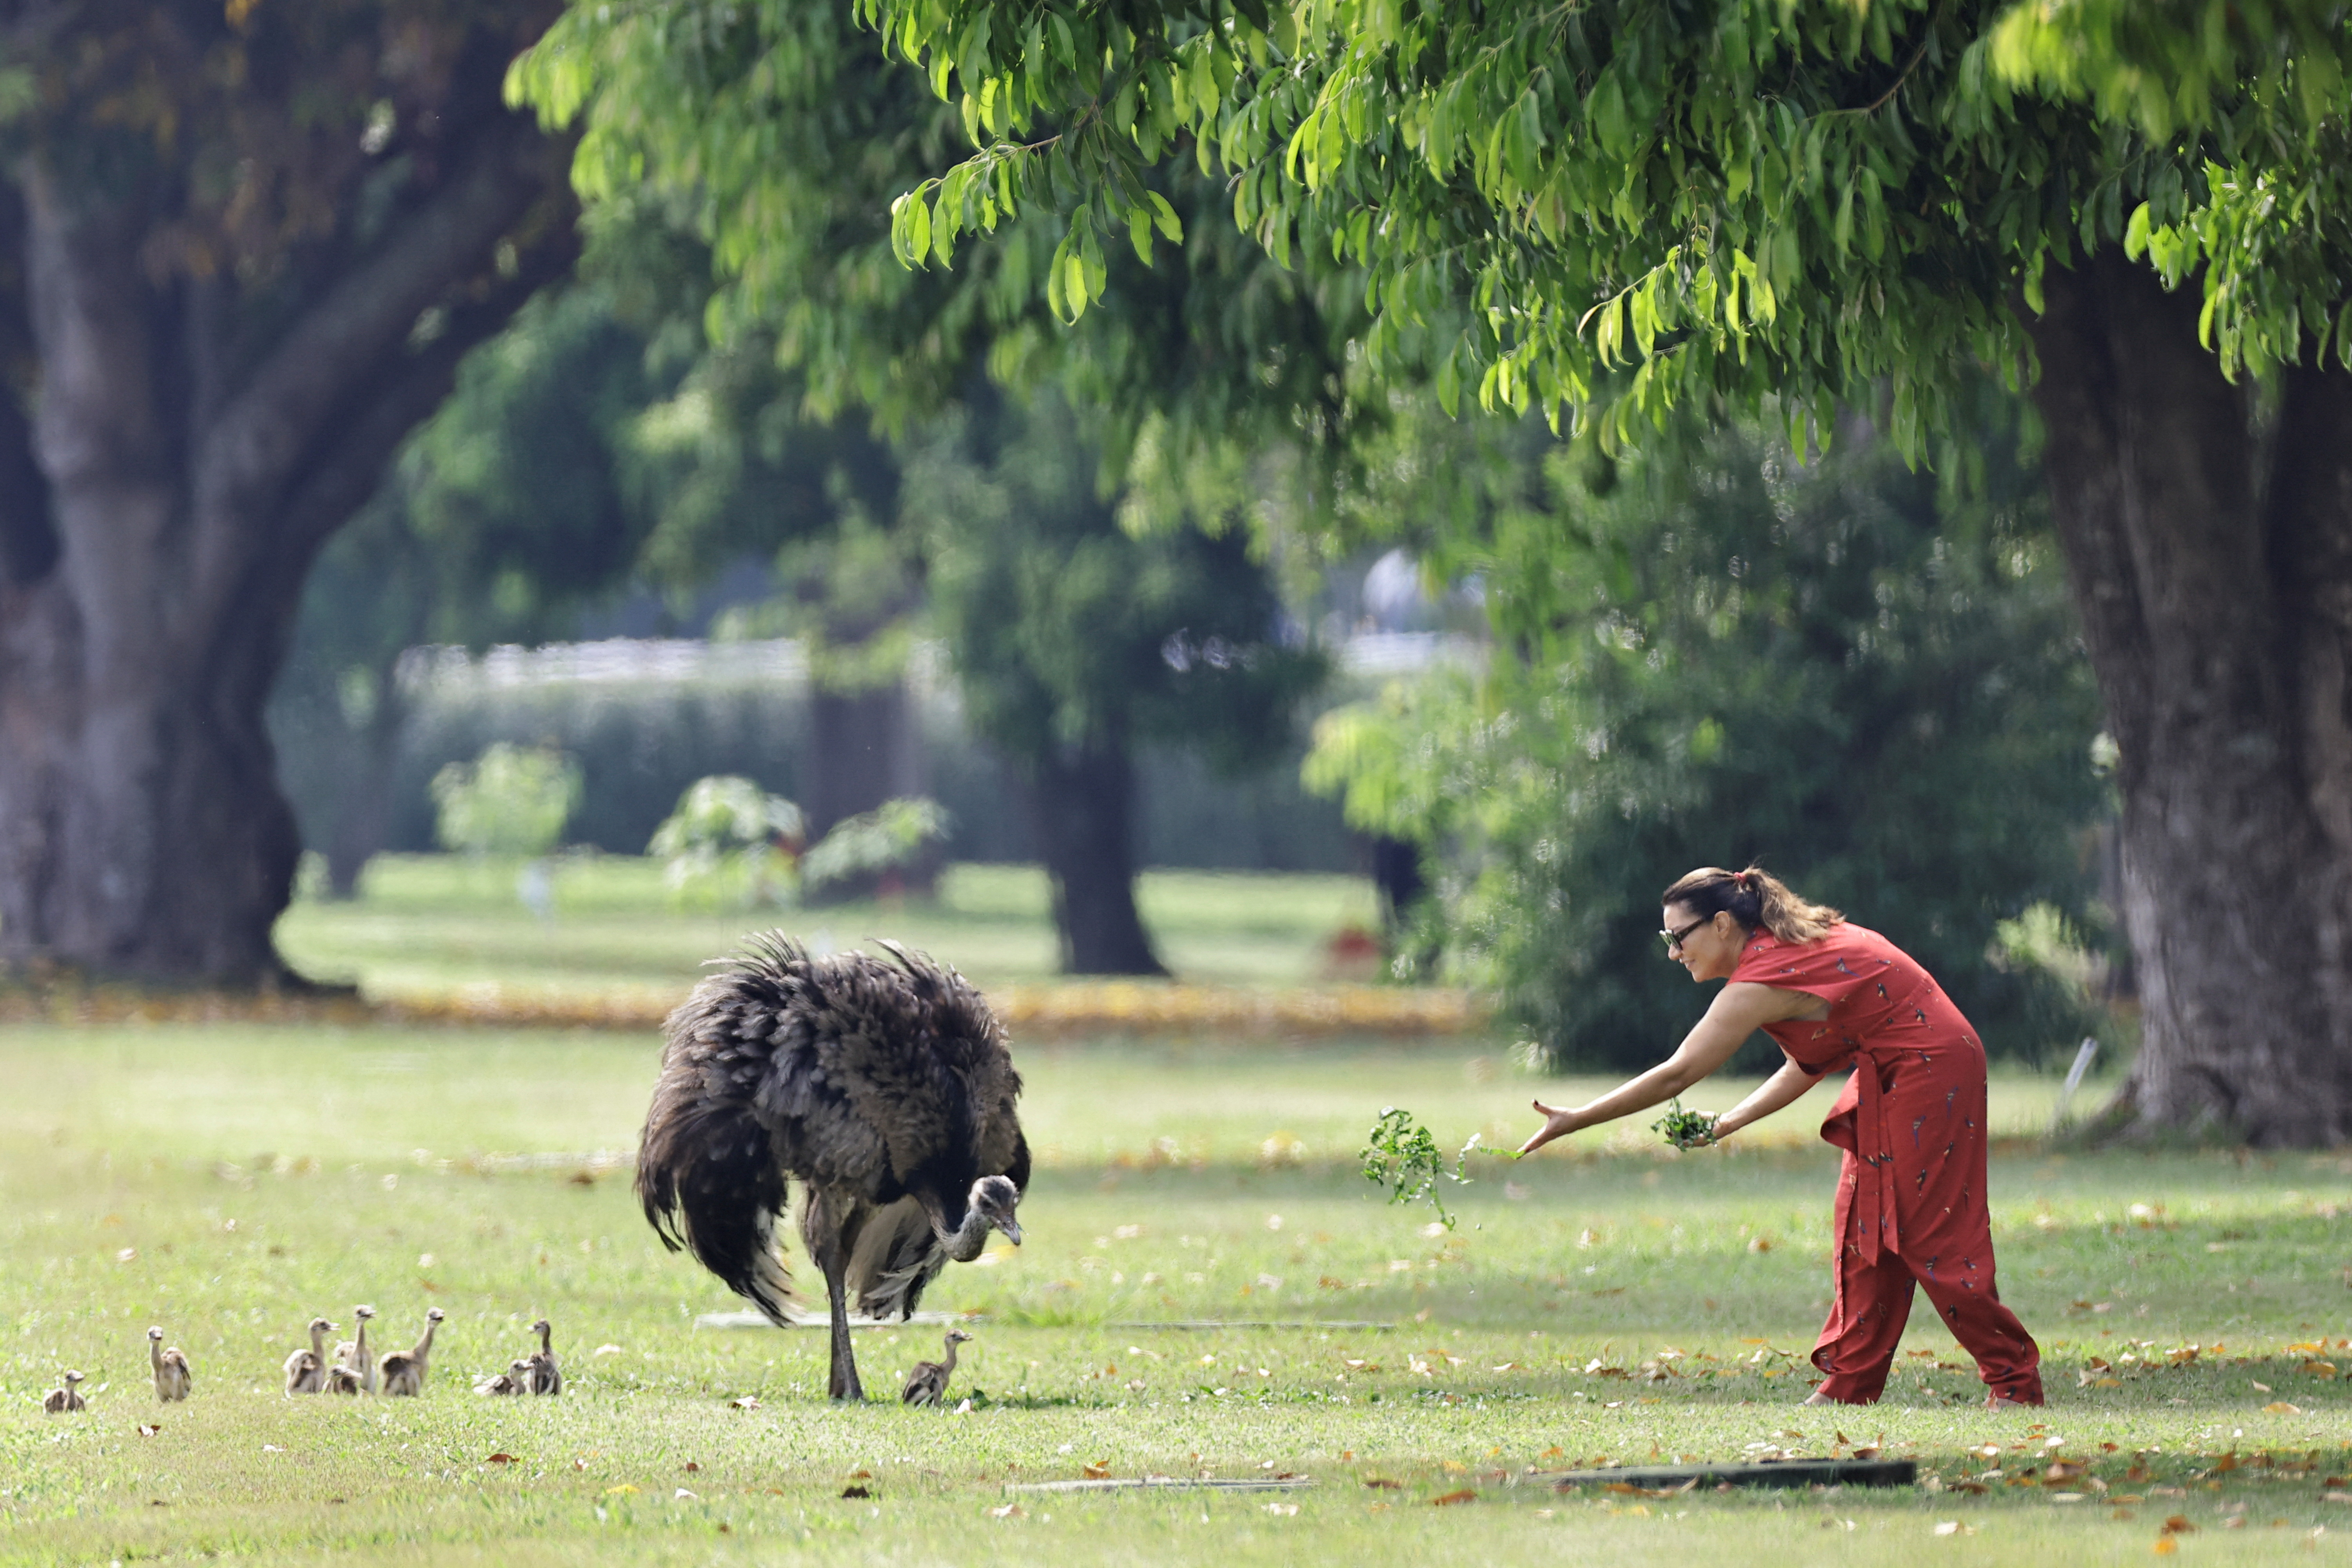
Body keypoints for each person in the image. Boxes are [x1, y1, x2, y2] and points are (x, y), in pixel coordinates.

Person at [1517, 865, 2043, 1408]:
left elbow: (1678, 1073)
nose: (1674, 953)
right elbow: (1804, 1064)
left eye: (1679, 938)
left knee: (1925, 1233)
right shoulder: (1776, 953)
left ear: (1722, 924)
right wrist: (1728, 1123)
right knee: (1863, 1226)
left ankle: (2014, 1382)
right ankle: (1850, 1385)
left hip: (1930, 1068)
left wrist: (1575, 1119)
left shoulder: (1763, 978)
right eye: (1666, 940)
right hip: (1891, 1069)